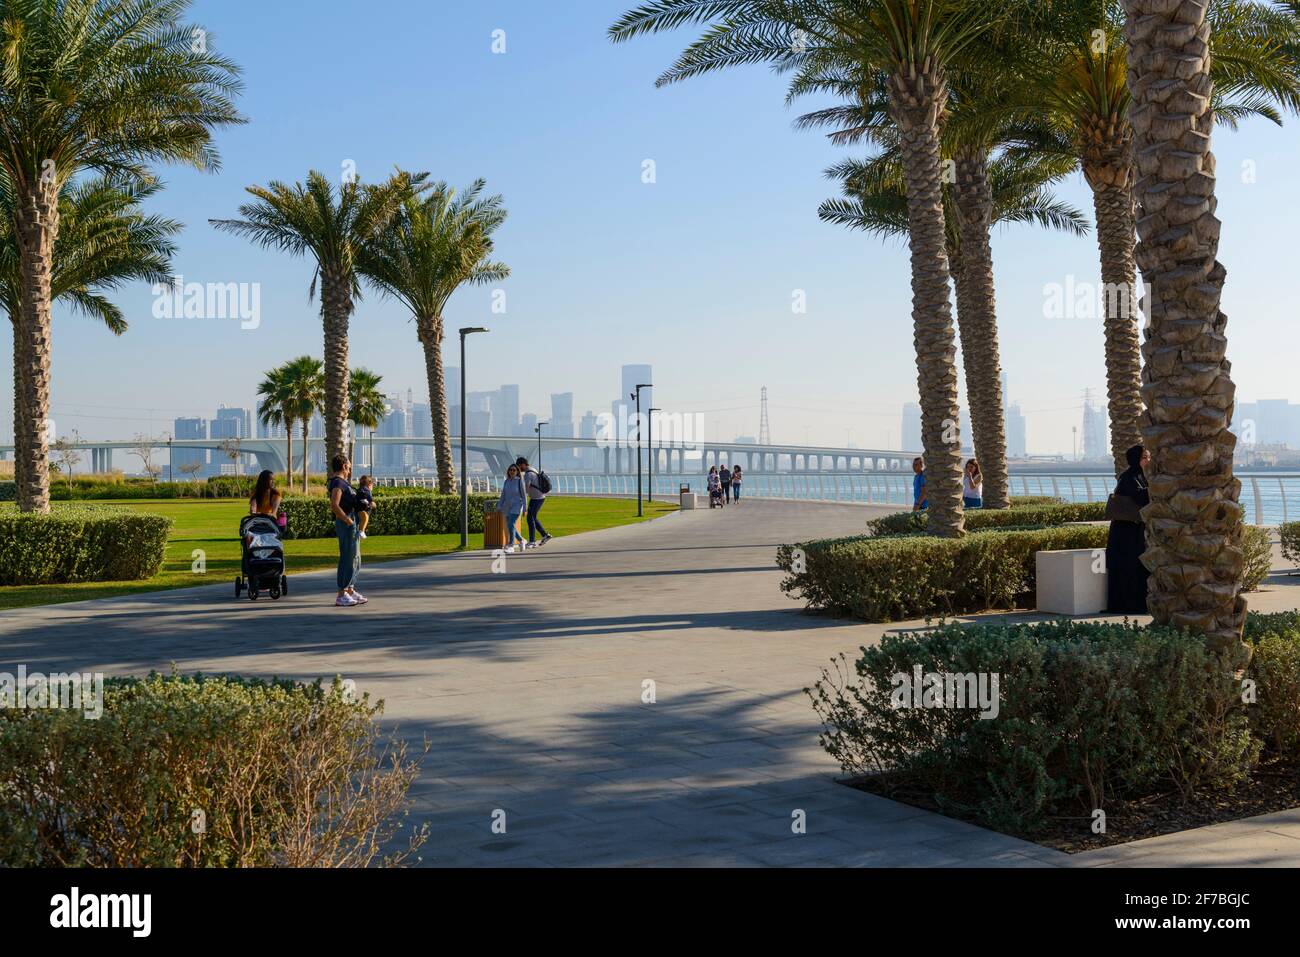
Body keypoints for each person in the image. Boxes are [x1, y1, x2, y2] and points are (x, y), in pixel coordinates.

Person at [1106, 444, 1151, 614]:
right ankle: (1126, 604)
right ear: (1137, 459)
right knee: (1127, 566)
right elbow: (1140, 497)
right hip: (1125, 532)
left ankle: (1138, 603)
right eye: (1145, 457)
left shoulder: (1139, 475)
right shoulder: (1129, 477)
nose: (1148, 461)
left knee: (1136, 566)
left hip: (1134, 529)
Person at [328, 454, 366, 607]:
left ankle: (350, 589)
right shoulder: (337, 482)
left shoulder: (344, 483)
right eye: (349, 467)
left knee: (355, 557)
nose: (350, 470)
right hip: (346, 523)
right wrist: (346, 519)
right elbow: (334, 505)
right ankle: (341, 593)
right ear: (344, 466)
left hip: (352, 522)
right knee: (347, 557)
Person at [517, 456, 552, 548]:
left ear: (523, 464)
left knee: (530, 518)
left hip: (536, 498)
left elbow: (525, 489)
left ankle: (532, 541)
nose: (519, 469)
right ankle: (545, 535)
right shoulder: (533, 470)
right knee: (533, 518)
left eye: (519, 466)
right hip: (539, 497)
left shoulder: (528, 474)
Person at [245, 470, 282, 546]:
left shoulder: (276, 495)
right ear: (264, 481)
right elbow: (253, 507)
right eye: (270, 480)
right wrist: (253, 510)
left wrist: (263, 514)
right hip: (256, 523)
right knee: (249, 537)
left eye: (273, 480)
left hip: (270, 524)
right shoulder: (256, 495)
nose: (273, 482)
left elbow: (274, 512)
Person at [498, 464, 528, 554]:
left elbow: (524, 496)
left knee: (511, 523)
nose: (512, 471)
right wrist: (499, 505)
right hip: (507, 506)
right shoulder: (506, 481)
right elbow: (503, 495)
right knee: (511, 525)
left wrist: (525, 509)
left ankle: (511, 546)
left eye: (514, 470)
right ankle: (521, 540)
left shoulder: (519, 481)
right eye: (510, 470)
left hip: (517, 505)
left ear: (517, 471)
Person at [355, 475, 377, 539]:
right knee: (365, 517)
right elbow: (370, 500)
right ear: (369, 484)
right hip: (361, 509)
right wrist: (372, 503)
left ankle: (361, 531)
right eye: (373, 484)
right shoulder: (366, 490)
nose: (373, 486)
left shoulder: (360, 489)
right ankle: (361, 531)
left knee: (364, 519)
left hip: (359, 508)